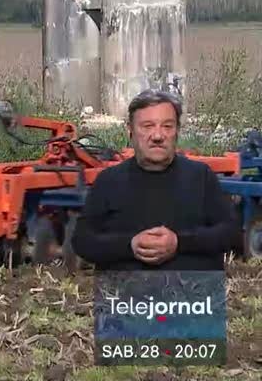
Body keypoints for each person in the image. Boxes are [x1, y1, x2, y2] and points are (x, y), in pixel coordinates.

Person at [71, 89, 240, 271]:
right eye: (147, 126)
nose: (158, 136)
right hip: (126, 287)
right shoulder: (109, 181)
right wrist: (130, 245)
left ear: (177, 131)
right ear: (130, 131)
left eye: (167, 126)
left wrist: (179, 243)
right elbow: (82, 240)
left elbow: (231, 233)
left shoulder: (201, 177)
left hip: (192, 287)